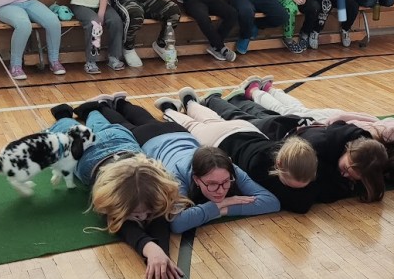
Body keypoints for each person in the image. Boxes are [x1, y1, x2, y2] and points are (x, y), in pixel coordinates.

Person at [70, 94, 280, 233]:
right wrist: (219, 205)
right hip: (149, 140)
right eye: (211, 184)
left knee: (148, 119)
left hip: (180, 133)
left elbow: (271, 202)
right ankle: (105, 105)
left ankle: (120, 102)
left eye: (225, 183)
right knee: (126, 124)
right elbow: (177, 223)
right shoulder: (175, 176)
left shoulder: (228, 169)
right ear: (196, 179)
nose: (221, 190)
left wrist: (223, 208)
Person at [211, 76, 394, 192]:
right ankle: (249, 93)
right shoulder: (377, 139)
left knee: (271, 113)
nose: (345, 175)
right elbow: (363, 122)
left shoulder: (372, 158)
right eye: (348, 169)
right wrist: (336, 119)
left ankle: (248, 95)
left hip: (317, 125)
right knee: (272, 114)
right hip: (313, 124)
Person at [48, 103, 190, 279]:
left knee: (100, 124)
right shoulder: (109, 192)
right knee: (68, 130)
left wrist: (160, 251)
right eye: (137, 215)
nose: (143, 219)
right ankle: (66, 115)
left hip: (118, 137)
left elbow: (159, 212)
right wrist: (149, 247)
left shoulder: (152, 187)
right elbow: (119, 222)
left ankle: (90, 110)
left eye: (147, 213)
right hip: (90, 149)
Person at [154, 90, 319, 213]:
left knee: (212, 119)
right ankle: (169, 109)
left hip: (245, 128)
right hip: (219, 140)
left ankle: (190, 102)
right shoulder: (260, 169)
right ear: (278, 164)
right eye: (288, 183)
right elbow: (299, 205)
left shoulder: (288, 152)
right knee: (192, 126)